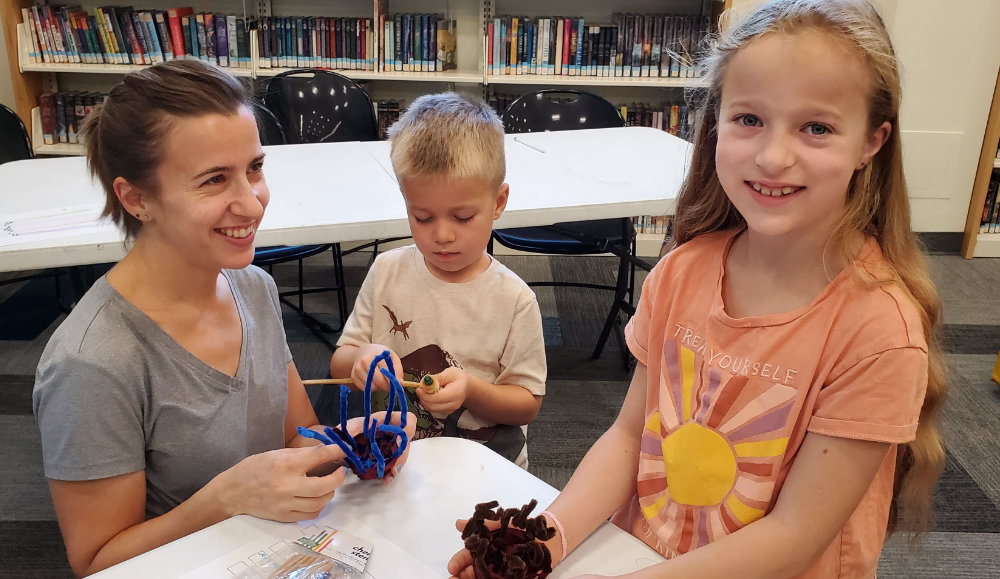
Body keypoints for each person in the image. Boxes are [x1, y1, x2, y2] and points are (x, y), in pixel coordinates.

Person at [448, 0, 947, 577]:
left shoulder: (879, 332)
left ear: (871, 142)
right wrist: (544, 540)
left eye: (817, 127)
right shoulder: (683, 270)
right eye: (749, 119)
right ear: (716, 122)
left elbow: (793, 537)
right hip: (646, 556)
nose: (773, 156)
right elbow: (630, 435)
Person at [32, 60, 414, 577]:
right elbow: (97, 561)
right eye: (214, 180)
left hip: (276, 552)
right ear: (137, 198)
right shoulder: (93, 363)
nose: (252, 203)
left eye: (254, 168)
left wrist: (352, 444)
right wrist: (226, 498)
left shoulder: (252, 286)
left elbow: (296, 438)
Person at [329, 92, 547, 469]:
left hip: (485, 467)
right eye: (423, 218)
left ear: (498, 202)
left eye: (462, 217)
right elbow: (341, 362)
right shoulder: (386, 271)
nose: (442, 235)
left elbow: (527, 403)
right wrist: (361, 361)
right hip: (399, 461)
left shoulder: (515, 301)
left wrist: (472, 392)